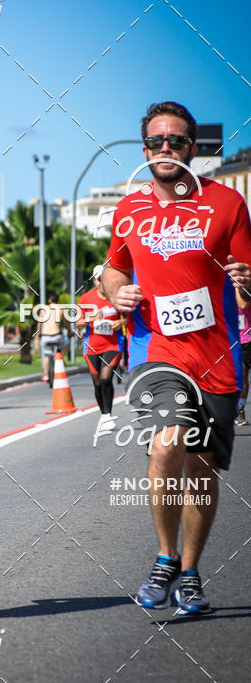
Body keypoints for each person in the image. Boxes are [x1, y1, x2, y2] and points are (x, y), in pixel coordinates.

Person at [102, 101, 251, 614]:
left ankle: (190, 573)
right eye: (156, 142)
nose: (166, 148)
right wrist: (117, 290)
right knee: (168, 442)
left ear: (194, 149)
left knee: (202, 467)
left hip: (218, 358)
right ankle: (165, 558)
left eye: (177, 141)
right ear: (145, 151)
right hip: (157, 351)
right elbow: (113, 270)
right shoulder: (129, 209)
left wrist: (246, 285)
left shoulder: (228, 204)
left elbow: (247, 279)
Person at [77, 265, 125, 432]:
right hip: (92, 346)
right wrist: (91, 318)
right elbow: (77, 322)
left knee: (106, 378)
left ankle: (108, 415)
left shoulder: (117, 297)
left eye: (104, 280)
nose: (101, 284)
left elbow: (128, 317)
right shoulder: (86, 298)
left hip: (113, 344)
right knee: (97, 382)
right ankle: (103, 414)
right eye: (98, 280)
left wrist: (121, 322)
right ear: (95, 281)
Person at [39, 293, 66, 384]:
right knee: (67, 342)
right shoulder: (61, 308)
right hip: (57, 336)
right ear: (58, 301)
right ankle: (61, 355)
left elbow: (39, 323)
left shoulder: (44, 309)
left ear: (49, 300)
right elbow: (67, 323)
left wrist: (38, 333)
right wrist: (70, 332)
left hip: (45, 336)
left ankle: (46, 375)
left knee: (46, 355)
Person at [235, 285, 251, 426]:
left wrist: (237, 287)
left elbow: (243, 304)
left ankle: (239, 410)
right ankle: (239, 410)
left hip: (248, 338)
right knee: (242, 375)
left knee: (244, 376)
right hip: (232, 340)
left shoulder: (245, 287)